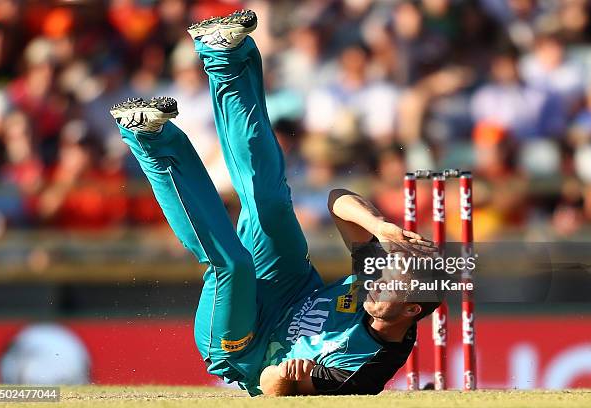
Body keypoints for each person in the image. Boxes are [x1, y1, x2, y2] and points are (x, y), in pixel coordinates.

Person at [109, 10, 438, 396]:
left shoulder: (363, 371)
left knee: (231, 265)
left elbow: (265, 386)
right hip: (291, 286)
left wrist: (285, 375)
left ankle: (148, 140)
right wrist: (379, 227)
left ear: (411, 309)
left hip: (246, 347)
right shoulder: (388, 285)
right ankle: (223, 57)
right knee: (269, 202)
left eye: (385, 282)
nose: (373, 279)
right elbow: (337, 200)